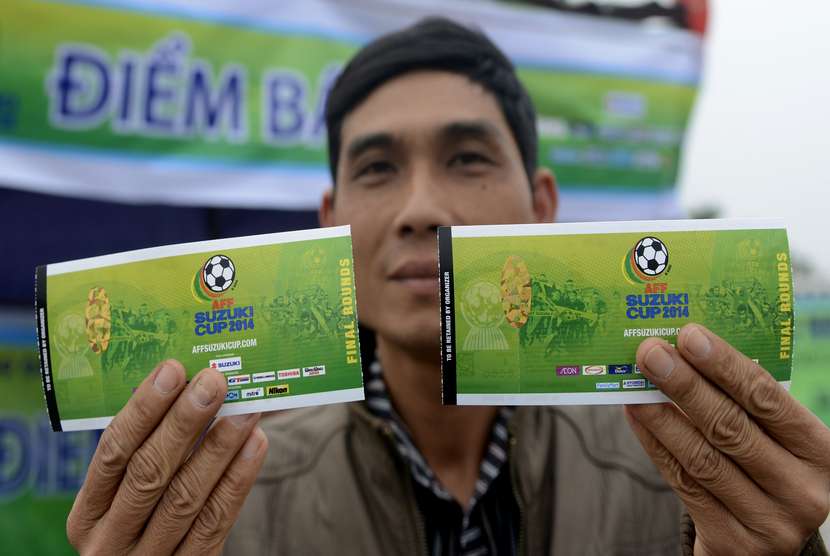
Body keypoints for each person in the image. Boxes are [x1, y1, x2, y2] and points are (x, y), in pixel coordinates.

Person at [66, 18, 829, 555]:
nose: (421, 208)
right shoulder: (225, 496)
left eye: (467, 158)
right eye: (376, 168)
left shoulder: (681, 473)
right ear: (331, 223)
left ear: (541, 208)